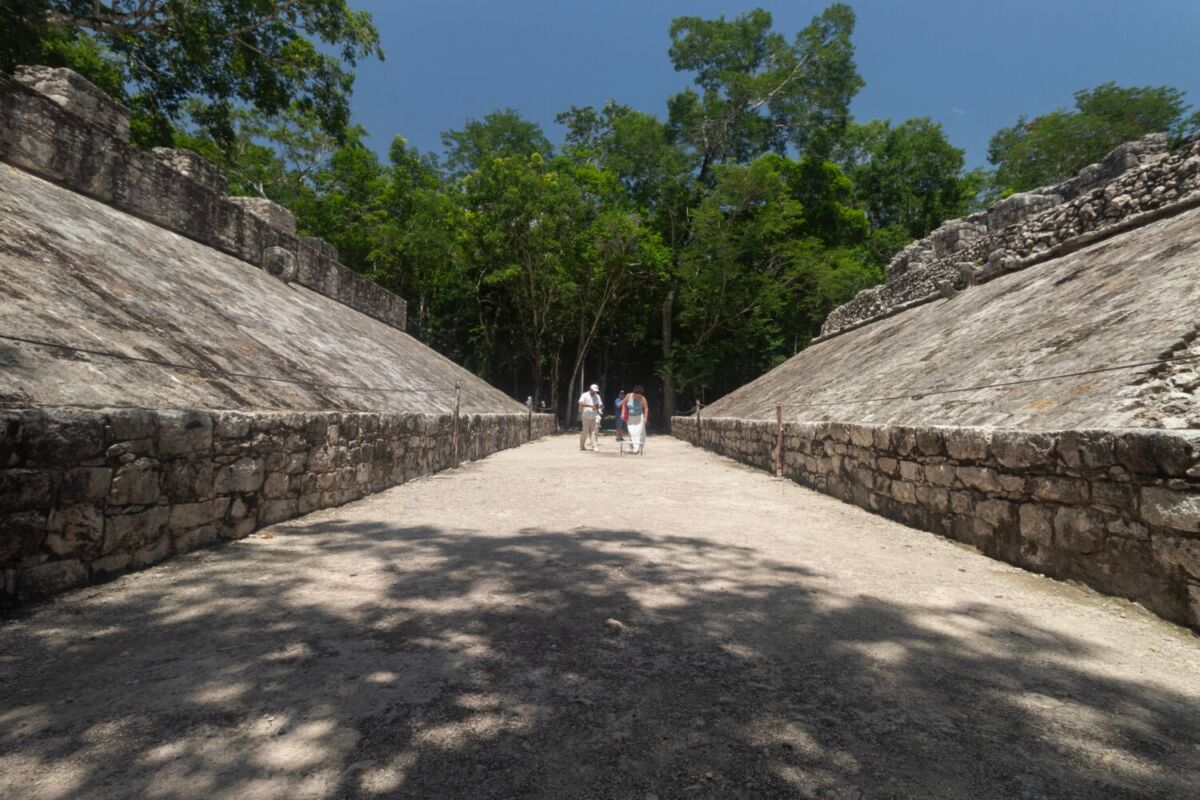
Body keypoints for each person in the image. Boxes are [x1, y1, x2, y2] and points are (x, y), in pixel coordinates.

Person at [621, 385, 650, 454]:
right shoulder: (628, 396)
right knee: (631, 432)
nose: (637, 396)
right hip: (630, 418)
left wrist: (645, 418)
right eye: (636, 394)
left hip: (639, 417)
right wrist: (622, 413)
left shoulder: (642, 398)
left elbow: (646, 408)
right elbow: (624, 404)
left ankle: (637, 448)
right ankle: (633, 447)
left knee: (638, 432)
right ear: (634, 392)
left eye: (639, 394)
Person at [577, 383, 603, 451]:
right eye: (593, 390)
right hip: (585, 416)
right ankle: (582, 445)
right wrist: (590, 406)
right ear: (590, 389)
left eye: (596, 391)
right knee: (585, 432)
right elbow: (580, 403)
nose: (594, 392)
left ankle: (594, 446)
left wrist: (596, 407)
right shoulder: (584, 395)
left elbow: (601, 405)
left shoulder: (597, 396)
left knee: (594, 432)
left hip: (594, 416)